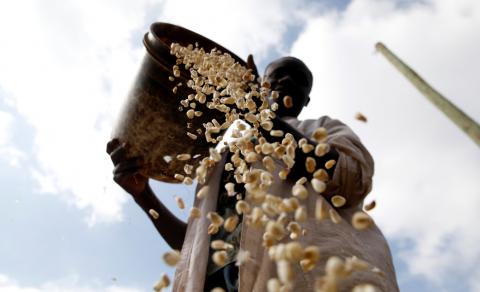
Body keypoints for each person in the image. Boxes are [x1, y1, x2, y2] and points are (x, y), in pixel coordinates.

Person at [107, 56, 399, 292]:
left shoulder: (322, 128)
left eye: (299, 80)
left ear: (306, 99)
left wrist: (258, 117)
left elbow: (351, 179)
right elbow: (195, 246)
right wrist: (143, 196)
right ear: (261, 84)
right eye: (279, 74)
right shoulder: (219, 160)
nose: (287, 80)